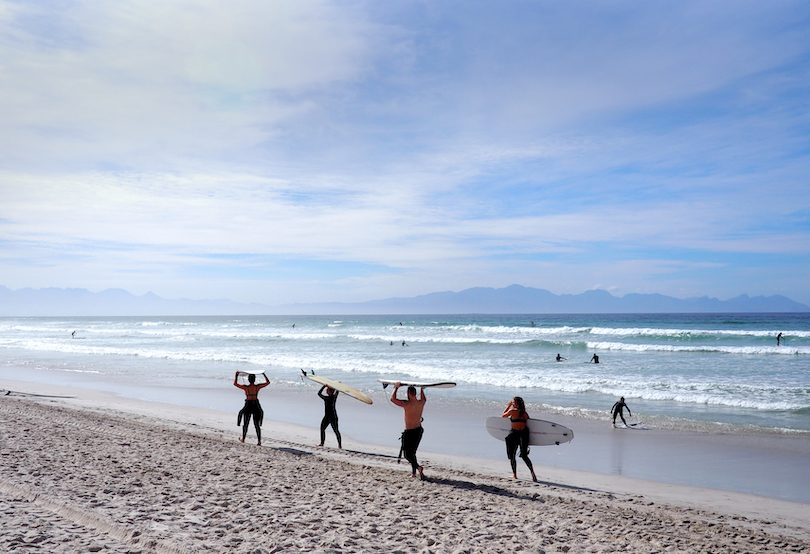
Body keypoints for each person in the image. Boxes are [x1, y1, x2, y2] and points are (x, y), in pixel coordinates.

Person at [390, 383, 426, 479]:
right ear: (415, 393)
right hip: (418, 431)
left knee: (407, 454)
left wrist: (396, 388)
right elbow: (424, 399)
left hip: (409, 432)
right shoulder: (420, 403)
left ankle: (418, 468)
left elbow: (392, 399)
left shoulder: (406, 404)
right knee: (412, 453)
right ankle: (414, 473)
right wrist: (422, 390)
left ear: (409, 394)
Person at [502, 397, 537, 481]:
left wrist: (508, 406)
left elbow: (503, 415)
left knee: (512, 455)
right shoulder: (524, 413)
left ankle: (514, 474)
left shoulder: (512, 411)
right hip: (524, 434)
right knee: (524, 455)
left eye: (513, 402)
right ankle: (532, 473)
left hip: (514, 434)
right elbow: (529, 422)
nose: (512, 403)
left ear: (517, 404)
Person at [234, 371, 269, 445]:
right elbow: (268, 382)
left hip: (248, 406)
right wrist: (263, 374)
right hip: (256, 405)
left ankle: (243, 439)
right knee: (256, 425)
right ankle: (259, 441)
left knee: (246, 423)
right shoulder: (257, 387)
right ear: (255, 380)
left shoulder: (246, 387)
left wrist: (236, 375)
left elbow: (235, 384)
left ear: (248, 380)